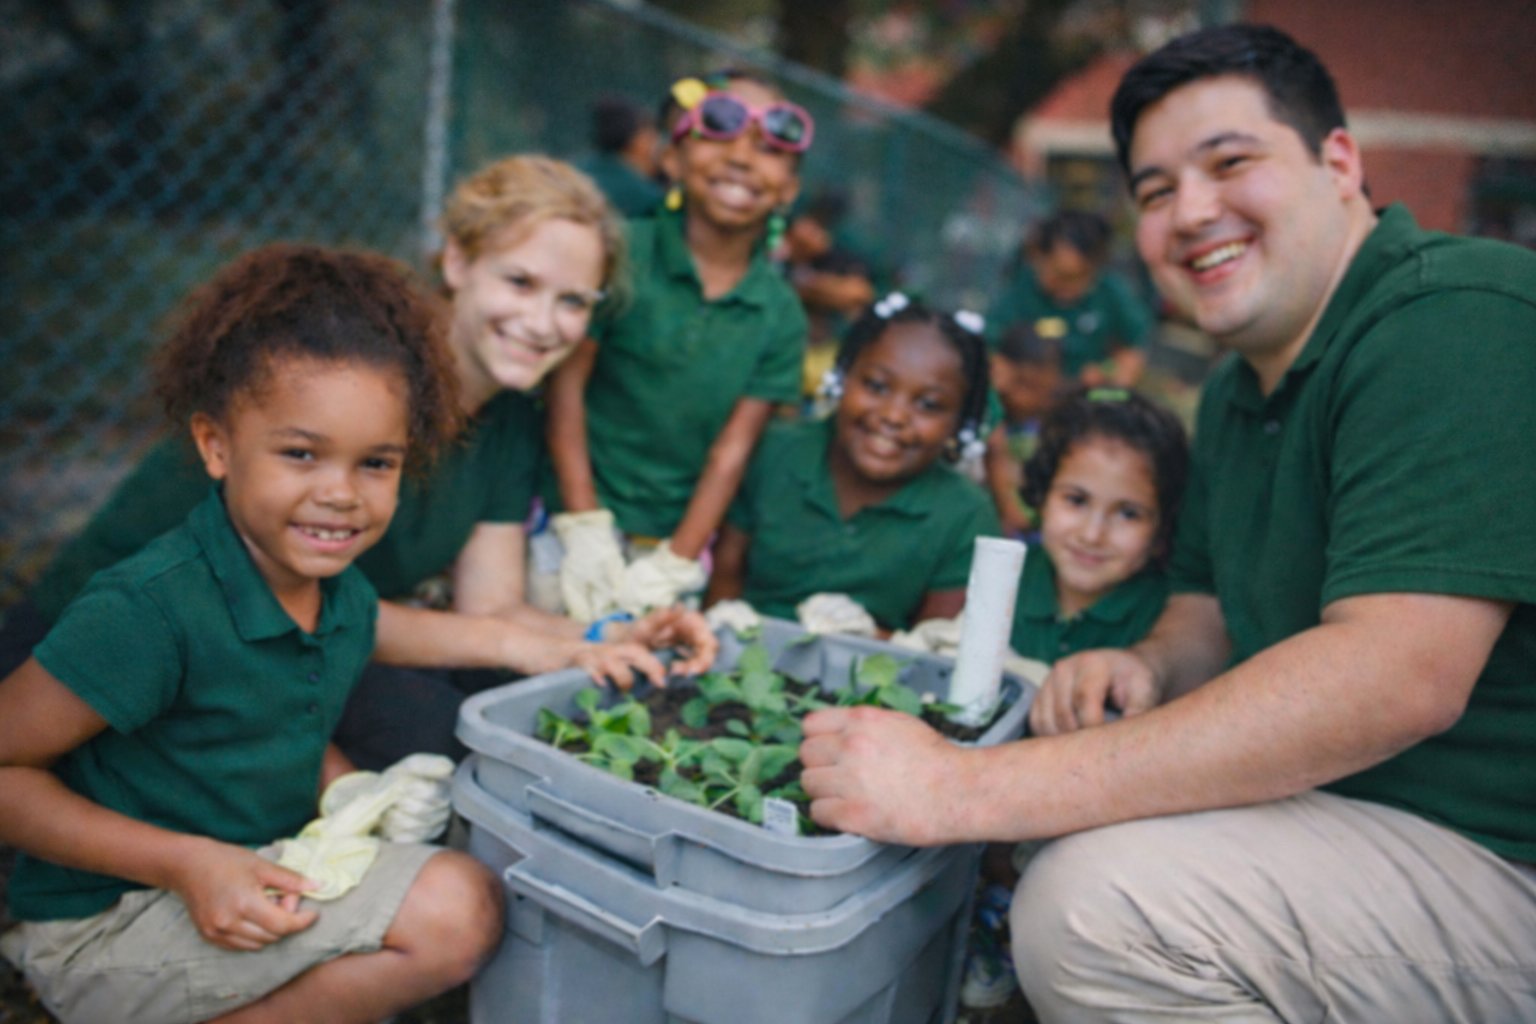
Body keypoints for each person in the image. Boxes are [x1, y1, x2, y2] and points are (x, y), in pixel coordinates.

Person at [799, 22, 1536, 1022]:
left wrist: (962, 790)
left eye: (1230, 162)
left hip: (1498, 859)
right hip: (1364, 824)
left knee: (1099, 906)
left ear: (1339, 161)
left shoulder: (1452, 314)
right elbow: (1206, 607)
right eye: (1153, 191)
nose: (1191, 212)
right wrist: (1149, 664)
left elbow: (1397, 676)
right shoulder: (1238, 391)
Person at [0, 155, 717, 770]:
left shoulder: (507, 417)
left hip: (295, 642)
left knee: (493, 705)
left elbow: (491, 605)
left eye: (572, 301)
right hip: (115, 655)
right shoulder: (362, 377)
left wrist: (605, 638)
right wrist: (529, 648)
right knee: (442, 730)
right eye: (520, 283)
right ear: (459, 260)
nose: (542, 322)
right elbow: (291, 606)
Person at [0, 244, 504, 1024]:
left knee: (465, 865)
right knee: (456, 906)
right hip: (108, 922)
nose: (339, 494)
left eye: (376, 463)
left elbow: (278, 726)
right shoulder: (148, 609)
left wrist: (347, 790)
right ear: (216, 446)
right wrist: (187, 863)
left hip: (244, 871)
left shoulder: (337, 595)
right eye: (301, 454)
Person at [544, 69, 810, 619]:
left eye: (767, 148)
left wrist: (677, 562)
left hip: (672, 546)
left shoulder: (781, 313)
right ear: (671, 160)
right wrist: (584, 526)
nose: (741, 157)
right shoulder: (619, 254)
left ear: (789, 188)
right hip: (565, 520)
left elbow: (731, 450)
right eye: (719, 134)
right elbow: (566, 390)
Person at [960, 385, 1187, 1009]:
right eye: (1076, 500)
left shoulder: (1163, 620)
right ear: (1040, 495)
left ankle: (1018, 931)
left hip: (1085, 822)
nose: (1092, 531)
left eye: (1128, 513)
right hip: (983, 808)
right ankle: (979, 917)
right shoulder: (1008, 582)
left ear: (1164, 526)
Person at [703, 292, 999, 633]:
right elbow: (726, 576)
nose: (893, 415)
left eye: (929, 405)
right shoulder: (774, 451)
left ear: (960, 423)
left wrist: (866, 640)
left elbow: (936, 651)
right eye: (875, 385)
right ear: (843, 375)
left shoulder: (965, 514)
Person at [986, 208, 1155, 388]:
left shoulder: (1110, 292)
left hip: (1085, 395)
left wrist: (1106, 372)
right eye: (1061, 275)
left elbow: (1134, 349)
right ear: (1038, 257)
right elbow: (992, 345)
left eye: (1082, 278)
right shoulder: (1020, 291)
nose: (1069, 288)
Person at [981, 321, 1064, 537]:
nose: (1036, 399)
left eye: (1046, 388)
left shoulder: (1050, 427)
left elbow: (1019, 517)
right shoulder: (990, 425)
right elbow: (1014, 514)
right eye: (1026, 385)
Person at [577, 95, 665, 218]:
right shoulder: (647, 198)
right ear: (638, 141)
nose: (659, 144)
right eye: (652, 136)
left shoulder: (574, 172)